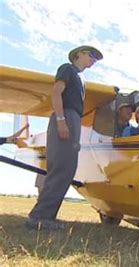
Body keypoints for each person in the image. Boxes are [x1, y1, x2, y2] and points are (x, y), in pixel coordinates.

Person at [26, 45, 103, 230]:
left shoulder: (81, 78)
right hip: (66, 116)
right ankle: (39, 217)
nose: (93, 60)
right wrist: (61, 120)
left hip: (74, 118)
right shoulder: (67, 69)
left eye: (96, 59)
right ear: (79, 54)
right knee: (61, 168)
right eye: (91, 56)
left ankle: (46, 216)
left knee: (68, 169)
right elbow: (56, 93)